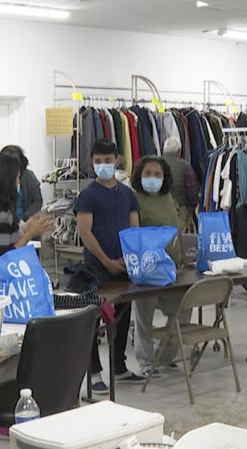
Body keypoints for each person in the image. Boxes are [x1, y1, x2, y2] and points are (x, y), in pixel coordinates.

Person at [74, 139, 143, 394]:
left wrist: (128, 258)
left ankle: (119, 366)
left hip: (124, 266)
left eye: (107, 160)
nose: (103, 165)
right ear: (92, 163)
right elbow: (85, 232)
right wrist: (106, 261)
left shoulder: (128, 194)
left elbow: (134, 227)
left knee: (123, 316)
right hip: (95, 269)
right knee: (92, 318)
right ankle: (93, 373)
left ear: (117, 160)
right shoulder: (88, 195)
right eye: (98, 161)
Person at [130, 157, 191, 375]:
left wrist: (182, 256)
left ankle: (164, 356)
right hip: (148, 269)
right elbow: (134, 234)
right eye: (148, 174)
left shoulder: (169, 198)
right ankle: (146, 362)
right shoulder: (134, 199)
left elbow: (177, 229)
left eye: (157, 174)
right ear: (139, 175)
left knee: (183, 309)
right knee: (144, 318)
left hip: (172, 268)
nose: (152, 178)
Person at [0, 153, 53, 268]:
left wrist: (25, 227)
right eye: (17, 178)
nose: (18, 183)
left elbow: (4, 237)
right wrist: (29, 234)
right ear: (6, 181)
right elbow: (2, 260)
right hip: (0, 282)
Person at [162, 137, 201, 232]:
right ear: (179, 151)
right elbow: (193, 193)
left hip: (160, 212)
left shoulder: (154, 165)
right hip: (180, 213)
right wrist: (191, 211)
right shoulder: (185, 166)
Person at [0, 145, 43, 222]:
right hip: (5, 225)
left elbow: (38, 201)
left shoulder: (29, 176)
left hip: (27, 223)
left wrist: (25, 218)